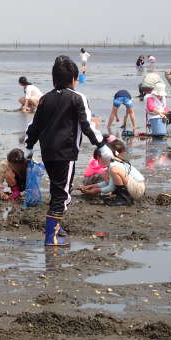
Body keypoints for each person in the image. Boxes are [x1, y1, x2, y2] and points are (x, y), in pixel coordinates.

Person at [24, 55, 112, 247]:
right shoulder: (77, 97)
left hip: (47, 152)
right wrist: (102, 146)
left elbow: (35, 126)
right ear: (74, 79)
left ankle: (57, 229)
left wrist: (29, 147)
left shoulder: (45, 99)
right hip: (66, 153)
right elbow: (87, 126)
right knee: (62, 194)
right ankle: (52, 237)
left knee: (59, 190)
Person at [80, 140, 145, 206]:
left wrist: (96, 190)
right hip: (137, 187)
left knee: (114, 170)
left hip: (138, 188)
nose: (97, 162)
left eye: (97, 159)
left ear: (101, 157)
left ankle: (123, 198)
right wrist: (91, 186)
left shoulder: (113, 165)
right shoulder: (111, 163)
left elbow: (111, 187)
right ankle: (123, 197)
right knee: (114, 172)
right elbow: (109, 183)